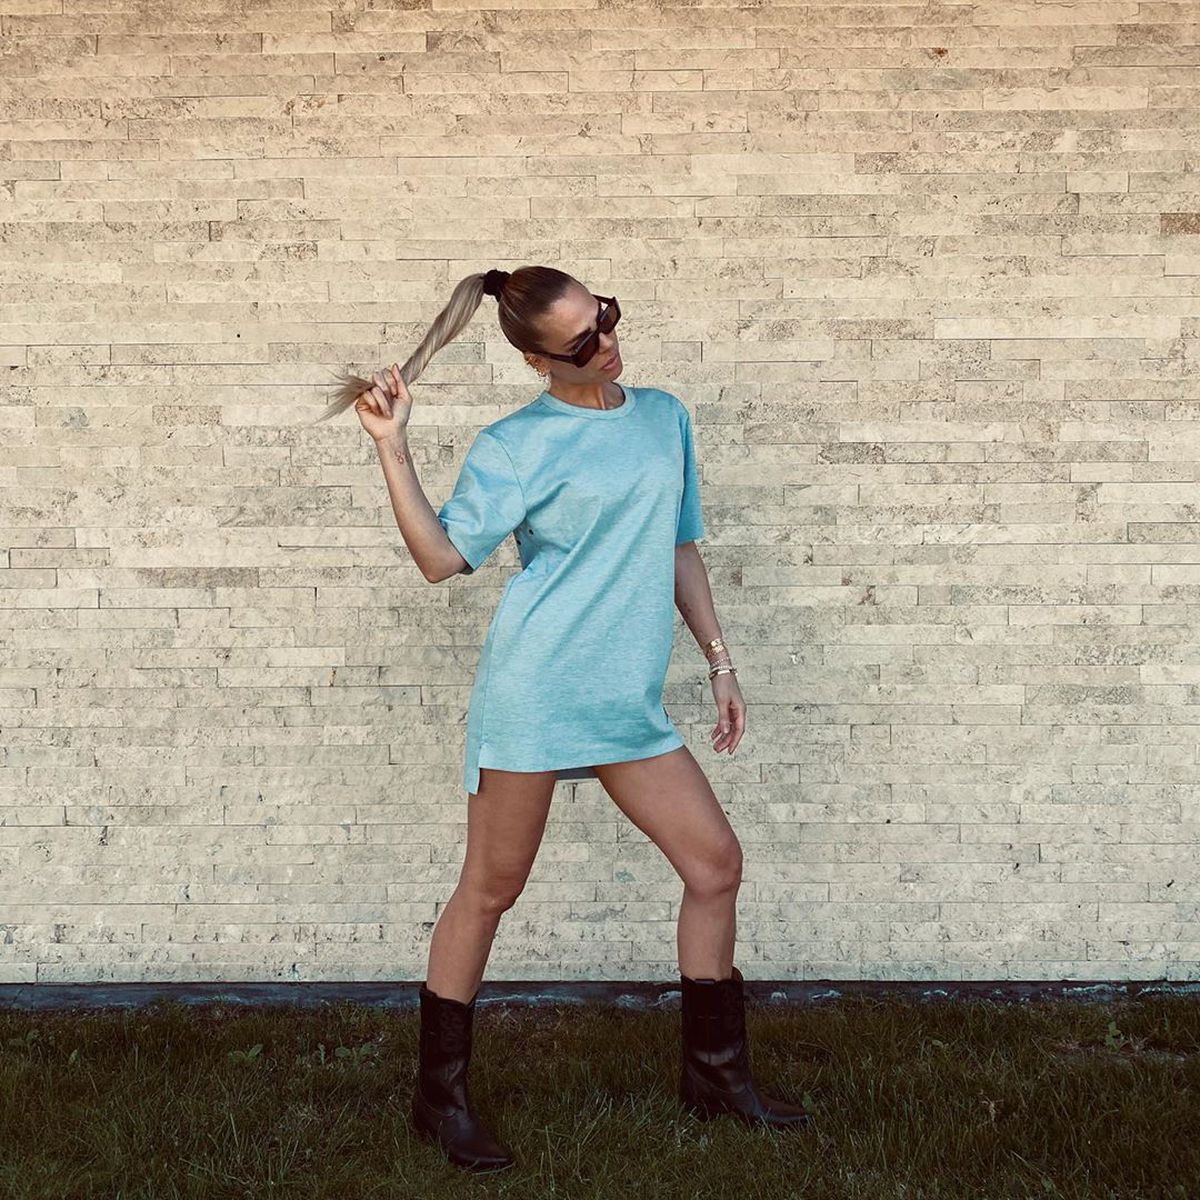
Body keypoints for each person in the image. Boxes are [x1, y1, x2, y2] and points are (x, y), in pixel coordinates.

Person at [318, 266, 811, 1173]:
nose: (608, 344)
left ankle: (714, 1079)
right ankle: (439, 1101)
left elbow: (677, 545)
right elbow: (441, 559)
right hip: (539, 691)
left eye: (607, 318)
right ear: (538, 361)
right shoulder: (516, 446)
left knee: (716, 865)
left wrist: (721, 663)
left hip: (626, 702)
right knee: (490, 889)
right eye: (583, 341)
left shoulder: (663, 418)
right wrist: (392, 447)